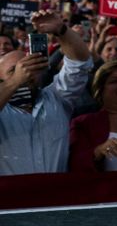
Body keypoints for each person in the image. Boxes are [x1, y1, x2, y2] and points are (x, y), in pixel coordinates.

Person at [0, 10, 93, 174]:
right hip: (11, 198)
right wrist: (16, 80)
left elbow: (80, 63)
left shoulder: (57, 98)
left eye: (30, 65)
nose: (26, 72)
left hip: (56, 196)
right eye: (13, 70)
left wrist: (61, 30)